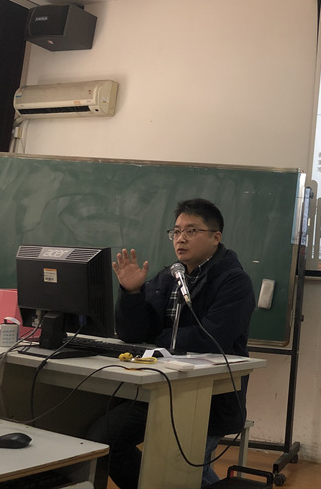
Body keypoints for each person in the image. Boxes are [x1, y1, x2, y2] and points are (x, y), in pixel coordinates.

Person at [88, 198, 255, 488]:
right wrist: (132, 293)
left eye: (191, 231)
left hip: (206, 399)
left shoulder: (234, 281)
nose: (181, 238)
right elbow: (133, 334)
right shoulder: (169, 276)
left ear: (216, 237)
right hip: (156, 390)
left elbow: (210, 339)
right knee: (102, 441)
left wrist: (158, 340)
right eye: (176, 231)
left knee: (180, 470)